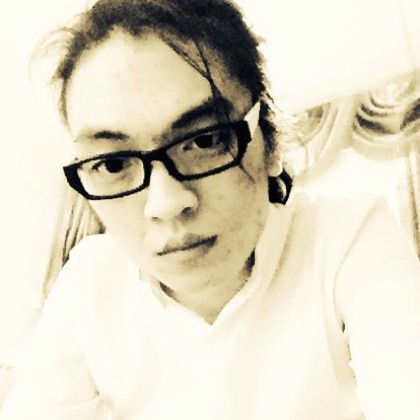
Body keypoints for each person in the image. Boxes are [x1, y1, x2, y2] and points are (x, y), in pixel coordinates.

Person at [1, 0, 420, 419]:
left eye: (205, 140)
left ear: (270, 141)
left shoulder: (348, 239)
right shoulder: (90, 280)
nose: (166, 204)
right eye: (113, 164)